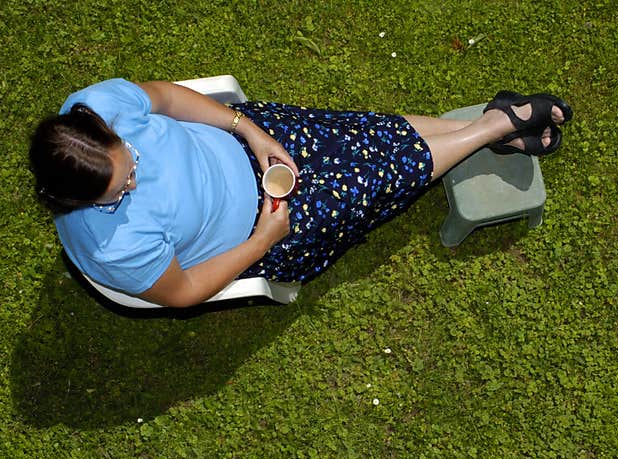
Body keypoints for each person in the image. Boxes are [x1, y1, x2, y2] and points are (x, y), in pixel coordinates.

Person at [29, 79, 572, 308]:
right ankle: (495, 127)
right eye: (122, 187)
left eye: (130, 157)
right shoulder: (111, 247)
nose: (136, 175)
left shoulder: (96, 108)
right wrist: (264, 239)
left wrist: (249, 129)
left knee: (366, 133)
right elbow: (185, 291)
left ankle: (490, 130)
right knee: (378, 177)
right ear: (79, 203)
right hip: (269, 227)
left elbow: (169, 100)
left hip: (257, 146)